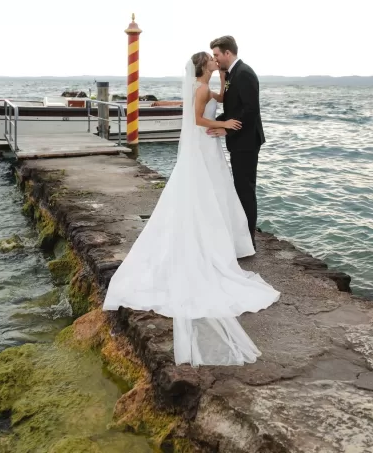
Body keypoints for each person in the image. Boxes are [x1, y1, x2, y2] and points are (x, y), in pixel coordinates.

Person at [103, 52, 280, 367]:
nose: (215, 61)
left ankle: (224, 240)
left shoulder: (206, 86)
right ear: (203, 66)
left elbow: (221, 97)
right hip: (204, 144)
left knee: (216, 193)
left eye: (217, 59)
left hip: (208, 147)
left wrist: (223, 80)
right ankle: (212, 242)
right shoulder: (199, 90)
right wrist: (223, 123)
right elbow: (199, 120)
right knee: (207, 194)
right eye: (211, 60)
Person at [209, 36, 265, 250]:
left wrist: (225, 128)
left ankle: (249, 241)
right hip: (240, 141)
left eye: (216, 55)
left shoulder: (244, 74)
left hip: (247, 142)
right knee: (240, 188)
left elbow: (250, 110)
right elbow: (234, 109)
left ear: (227, 53)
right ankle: (242, 237)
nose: (215, 59)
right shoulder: (234, 73)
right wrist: (219, 121)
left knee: (245, 190)